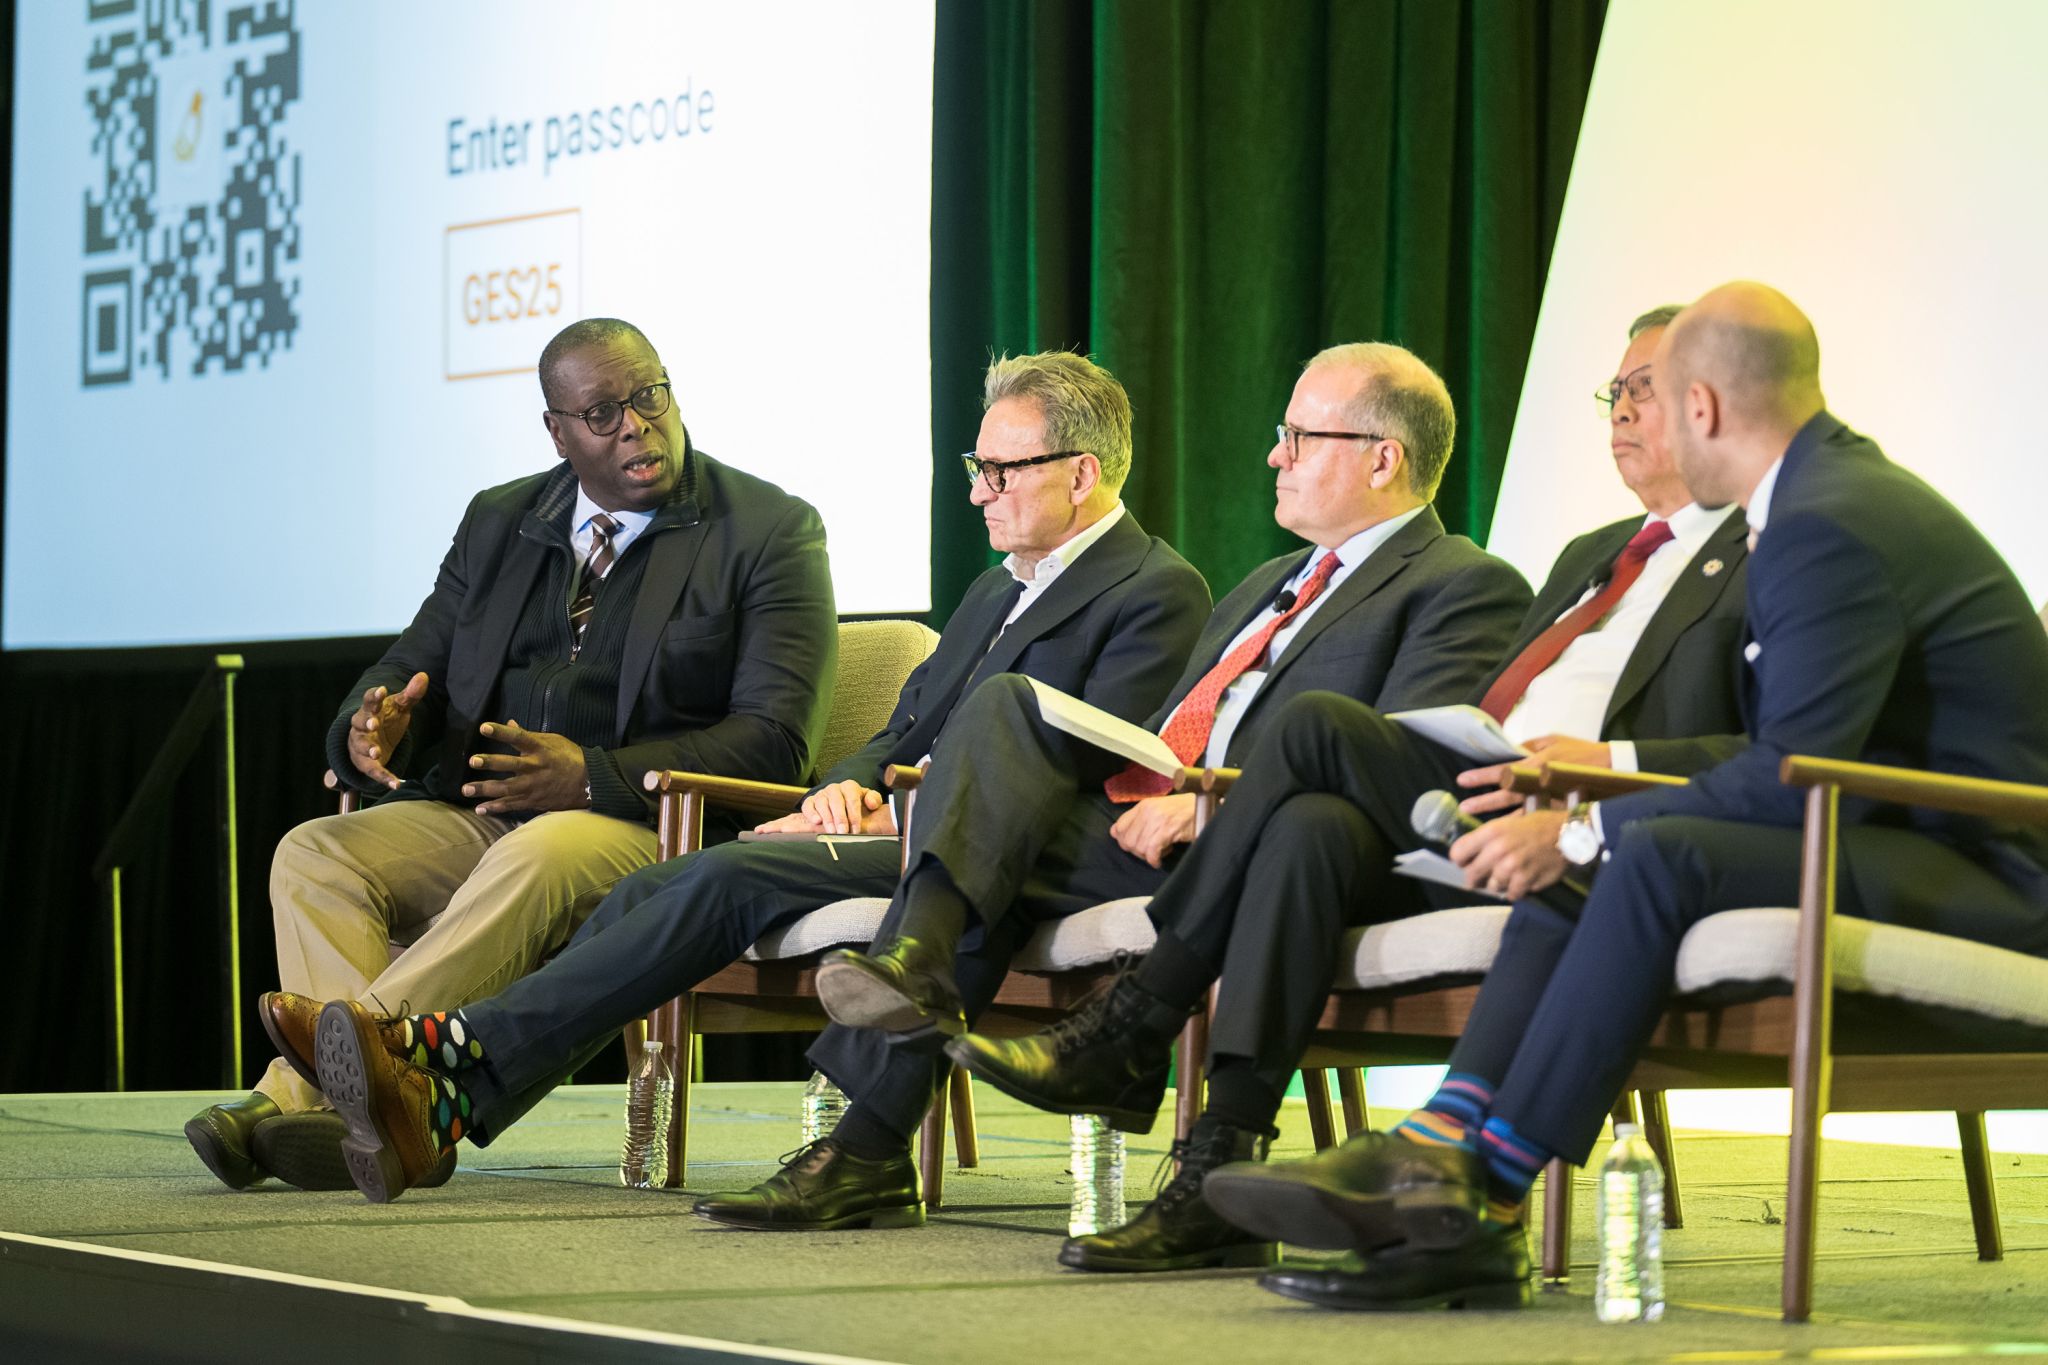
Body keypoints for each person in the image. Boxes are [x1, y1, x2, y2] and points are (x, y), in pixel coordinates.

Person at [1203, 282, 2048, 1312]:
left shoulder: (1823, 520)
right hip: (1882, 822)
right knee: (1602, 854)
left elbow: (1788, 767)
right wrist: (1578, 833)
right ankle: (1445, 1151)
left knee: (1641, 849)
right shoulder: (1822, 496)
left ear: (1701, 407)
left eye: (1648, 398)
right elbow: (1793, 762)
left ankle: (1475, 1188)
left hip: (1986, 864)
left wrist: (1583, 825)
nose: (1633, 423)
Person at [271, 350, 1213, 1203]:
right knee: (650, 887)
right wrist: (845, 787)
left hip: (995, 853)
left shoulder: (1154, 591)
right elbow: (902, 728)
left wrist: (897, 807)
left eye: (1001, 471)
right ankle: (445, 1095)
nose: (979, 493)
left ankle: (449, 1055)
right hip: (899, 830)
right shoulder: (994, 588)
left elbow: (1085, 767)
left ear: (1081, 474)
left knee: (722, 875)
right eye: (978, 467)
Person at [946, 304, 1757, 1273]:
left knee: (1315, 727)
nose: (1618, 410)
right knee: (1308, 829)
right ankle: (1216, 1162)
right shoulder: (1595, 552)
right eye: (1613, 390)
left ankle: (1135, 1020)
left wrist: (1593, 771)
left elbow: (1763, 744)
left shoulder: (1760, 548)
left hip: (1564, 821)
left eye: (1642, 389)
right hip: (1455, 800)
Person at [677, 341, 1535, 1234]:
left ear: (1382, 458)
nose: (1274, 455)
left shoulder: (1463, 583)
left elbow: (1395, 765)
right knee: (1001, 739)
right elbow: (1165, 732)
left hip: (1275, 848)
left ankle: (870, 1137)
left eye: (1298, 437)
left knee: (987, 845)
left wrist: (1213, 804)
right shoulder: (1266, 584)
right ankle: (911, 981)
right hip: (1147, 831)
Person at [184, 317, 838, 1192]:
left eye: (650, 396)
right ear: (558, 432)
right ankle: (378, 1111)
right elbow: (410, 665)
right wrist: (370, 724)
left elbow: (778, 740)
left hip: (651, 827)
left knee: (540, 852)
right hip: (486, 814)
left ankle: (305, 1094)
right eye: (602, 413)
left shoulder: (766, 529)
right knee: (315, 854)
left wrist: (591, 776)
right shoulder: (500, 520)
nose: (636, 425)